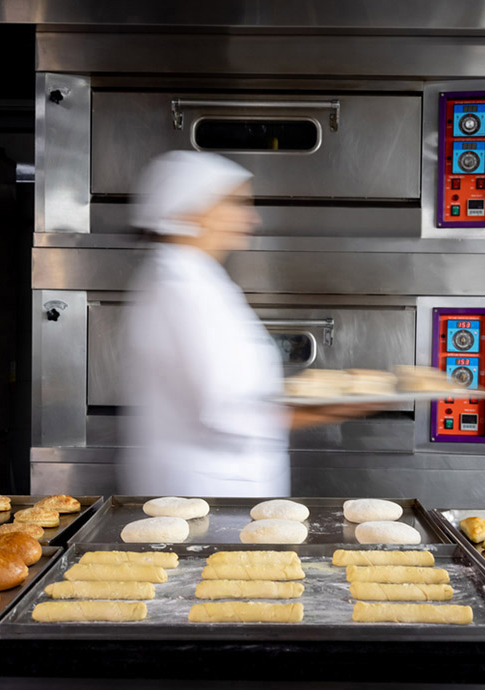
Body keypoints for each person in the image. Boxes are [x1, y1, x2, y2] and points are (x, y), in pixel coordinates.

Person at [119, 151, 364, 497]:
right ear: (192, 210)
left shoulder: (199, 277)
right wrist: (329, 408)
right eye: (236, 203)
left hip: (221, 489)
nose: (253, 218)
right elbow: (225, 412)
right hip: (202, 498)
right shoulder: (181, 289)